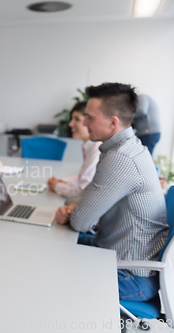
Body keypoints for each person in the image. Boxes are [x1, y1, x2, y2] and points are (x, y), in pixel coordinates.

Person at [54, 83, 169, 302]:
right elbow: (84, 204)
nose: (84, 123)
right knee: (50, 249)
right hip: (120, 258)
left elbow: (80, 221)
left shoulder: (120, 159)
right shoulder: (125, 149)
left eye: (89, 118)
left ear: (113, 122)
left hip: (131, 275)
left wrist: (74, 211)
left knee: (53, 274)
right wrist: (75, 209)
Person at [47, 101, 101, 198]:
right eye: (72, 119)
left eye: (77, 119)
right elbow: (81, 178)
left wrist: (57, 186)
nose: (70, 124)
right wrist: (64, 182)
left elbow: (82, 192)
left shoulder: (97, 150)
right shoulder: (89, 146)